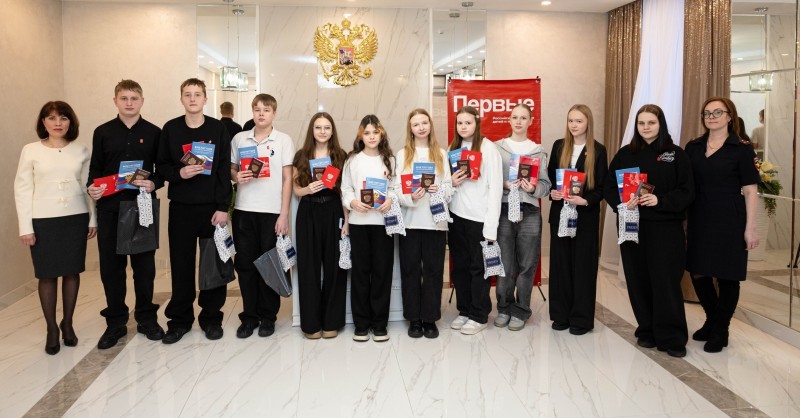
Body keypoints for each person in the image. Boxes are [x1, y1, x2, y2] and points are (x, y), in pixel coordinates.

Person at [604, 104, 694, 358]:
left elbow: (687, 191)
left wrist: (660, 200)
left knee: (665, 281)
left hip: (665, 228)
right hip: (631, 225)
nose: (646, 127)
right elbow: (609, 187)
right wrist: (623, 203)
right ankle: (647, 330)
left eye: (651, 123)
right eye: (641, 123)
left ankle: (673, 337)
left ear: (661, 124)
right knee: (638, 279)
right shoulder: (625, 154)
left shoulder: (675, 154)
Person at [86, 80, 165, 349]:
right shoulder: (102, 132)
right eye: (124, 98)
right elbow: (95, 169)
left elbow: (162, 170)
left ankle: (146, 319)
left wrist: (153, 182)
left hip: (142, 207)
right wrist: (92, 187)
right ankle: (116, 323)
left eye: (134, 98)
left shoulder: (154, 132)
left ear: (142, 101)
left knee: (144, 268)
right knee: (112, 269)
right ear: (115, 101)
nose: (129, 103)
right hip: (110, 208)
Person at [14, 101, 97, 355]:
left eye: (63, 118)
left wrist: (92, 219)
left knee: (72, 272)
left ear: (71, 122)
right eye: (51, 118)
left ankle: (67, 323)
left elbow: (88, 187)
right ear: (43, 122)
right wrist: (25, 226)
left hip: (75, 218)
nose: (58, 123)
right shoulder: (30, 150)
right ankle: (51, 328)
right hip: (43, 221)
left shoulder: (81, 150)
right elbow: (22, 189)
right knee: (47, 275)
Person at [155, 78, 232, 344]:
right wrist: (180, 173)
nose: (192, 99)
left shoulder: (218, 128)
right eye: (187, 94)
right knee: (181, 265)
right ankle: (180, 321)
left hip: (212, 209)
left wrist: (223, 207)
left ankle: (211, 318)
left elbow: (223, 169)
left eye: (197, 94)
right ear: (181, 99)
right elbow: (161, 166)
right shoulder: (171, 129)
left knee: (213, 266)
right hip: (181, 209)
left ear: (205, 99)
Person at [685, 97, 759, 353]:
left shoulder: (741, 149)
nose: (712, 117)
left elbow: (750, 191)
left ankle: (721, 328)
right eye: (707, 113)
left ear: (729, 116)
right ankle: (712, 319)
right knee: (698, 271)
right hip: (699, 216)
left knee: (728, 275)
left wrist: (750, 227)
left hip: (730, 218)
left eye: (718, 112)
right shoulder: (693, 146)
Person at [230, 94, 295, 339]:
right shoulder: (239, 138)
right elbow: (232, 168)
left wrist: (284, 214)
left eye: (266, 110)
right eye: (257, 109)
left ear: (273, 113)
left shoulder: (283, 140)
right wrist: (235, 176)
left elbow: (288, 179)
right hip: (244, 211)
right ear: (252, 112)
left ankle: (268, 317)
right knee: (245, 265)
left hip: (272, 213)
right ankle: (249, 317)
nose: (261, 114)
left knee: (270, 266)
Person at [547, 104, 608, 335]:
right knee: (560, 267)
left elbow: (602, 188)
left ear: (588, 123)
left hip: (585, 218)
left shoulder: (598, 150)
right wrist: (553, 193)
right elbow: (551, 178)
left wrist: (585, 201)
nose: (574, 125)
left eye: (579, 121)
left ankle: (581, 319)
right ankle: (560, 315)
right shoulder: (559, 146)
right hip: (560, 215)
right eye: (571, 120)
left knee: (583, 269)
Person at [394, 109, 452, 339]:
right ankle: (414, 319)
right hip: (410, 221)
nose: (420, 127)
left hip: (435, 222)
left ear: (430, 125)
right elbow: (396, 189)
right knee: (410, 271)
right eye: (416, 124)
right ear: (410, 128)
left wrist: (440, 190)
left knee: (433, 271)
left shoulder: (441, 153)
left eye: (424, 123)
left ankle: (429, 318)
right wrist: (411, 196)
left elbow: (449, 186)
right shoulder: (402, 155)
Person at [494, 103, 551, 331]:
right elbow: (489, 181)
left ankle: (521, 310)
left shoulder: (538, 151)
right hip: (504, 208)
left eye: (523, 117)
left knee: (527, 264)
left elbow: (546, 186)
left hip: (529, 211)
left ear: (530, 121)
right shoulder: (497, 148)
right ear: (509, 120)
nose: (518, 121)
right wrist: (504, 185)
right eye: (514, 117)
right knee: (505, 263)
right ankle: (504, 307)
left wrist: (532, 188)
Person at [447, 106, 503, 335]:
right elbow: (447, 184)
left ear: (476, 124)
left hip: (479, 219)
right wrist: (451, 182)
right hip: (456, 217)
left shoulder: (489, 148)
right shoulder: (453, 148)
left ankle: (479, 315)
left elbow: (496, 189)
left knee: (478, 268)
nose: (463, 127)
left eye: (468, 123)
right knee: (460, 267)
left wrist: (491, 227)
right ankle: (464, 310)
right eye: (460, 123)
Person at [293, 112, 348, 339]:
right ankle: (311, 324)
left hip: (334, 210)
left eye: (327, 127)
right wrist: (307, 189)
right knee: (308, 267)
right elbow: (295, 189)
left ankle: (331, 322)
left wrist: (347, 222)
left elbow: (345, 191)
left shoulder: (341, 156)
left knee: (335, 267)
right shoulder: (302, 155)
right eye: (318, 127)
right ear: (312, 130)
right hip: (308, 210)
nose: (322, 131)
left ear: (332, 131)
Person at [340, 114, 396, 342]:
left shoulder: (389, 159)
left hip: (383, 224)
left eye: (375, 132)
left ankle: (380, 324)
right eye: (367, 133)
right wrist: (352, 202)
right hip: (359, 223)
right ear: (360, 136)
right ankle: (361, 324)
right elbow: (345, 189)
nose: (372, 136)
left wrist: (390, 199)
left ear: (381, 134)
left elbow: (395, 187)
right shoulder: (352, 160)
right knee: (361, 274)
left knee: (382, 273)